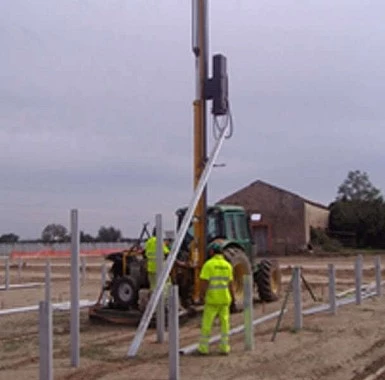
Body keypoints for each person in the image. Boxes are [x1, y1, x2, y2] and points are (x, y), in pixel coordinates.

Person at [197, 242, 236, 355]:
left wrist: (202, 296)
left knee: (207, 324)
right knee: (225, 324)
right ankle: (224, 347)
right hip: (224, 299)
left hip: (212, 299)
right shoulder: (227, 265)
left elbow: (204, 282)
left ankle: (204, 348)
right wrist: (233, 299)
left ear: (211, 252)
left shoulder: (209, 265)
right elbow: (231, 285)